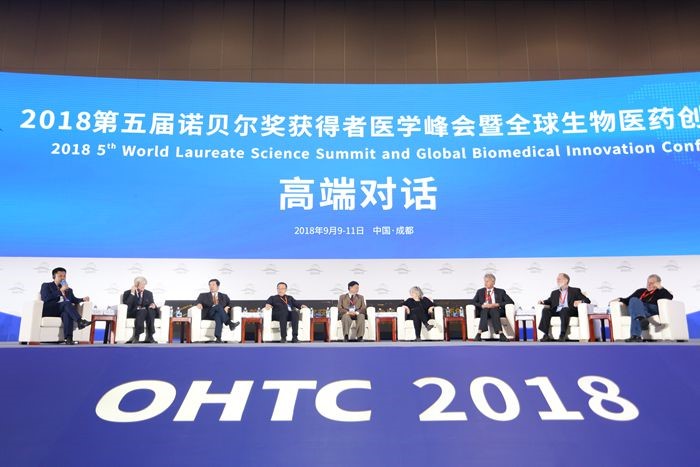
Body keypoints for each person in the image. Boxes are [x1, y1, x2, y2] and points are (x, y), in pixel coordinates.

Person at [612, 274, 673, 342]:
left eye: (652, 283)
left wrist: (660, 287)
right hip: (640, 310)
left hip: (651, 309)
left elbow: (670, 297)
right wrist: (619, 299)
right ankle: (641, 319)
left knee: (636, 311)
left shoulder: (660, 291)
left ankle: (635, 335)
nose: (649, 284)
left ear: (658, 283)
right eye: (648, 282)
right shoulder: (640, 291)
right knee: (633, 300)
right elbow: (627, 300)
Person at [39, 267, 91, 345]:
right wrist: (60, 291)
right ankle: (80, 321)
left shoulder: (69, 290)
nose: (63, 278)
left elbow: (73, 300)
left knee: (66, 313)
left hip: (61, 310)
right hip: (49, 309)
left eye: (64, 276)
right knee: (66, 303)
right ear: (53, 277)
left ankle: (68, 339)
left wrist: (82, 299)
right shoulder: (46, 285)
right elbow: (45, 298)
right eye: (60, 276)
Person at [538, 273, 590, 342]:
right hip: (557, 310)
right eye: (557, 279)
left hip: (569, 310)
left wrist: (580, 301)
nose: (557, 280)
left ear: (566, 280)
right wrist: (543, 302)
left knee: (564, 310)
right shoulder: (554, 293)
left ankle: (562, 335)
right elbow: (550, 301)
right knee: (545, 310)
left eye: (559, 279)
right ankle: (546, 335)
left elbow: (587, 300)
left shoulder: (575, 290)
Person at [194, 279, 239, 343]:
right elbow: (197, 302)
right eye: (210, 285)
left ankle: (218, 338)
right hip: (208, 314)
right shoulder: (203, 295)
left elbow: (231, 303)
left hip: (219, 314)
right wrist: (198, 304)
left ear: (218, 286)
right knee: (218, 306)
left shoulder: (224, 296)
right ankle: (229, 323)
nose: (211, 286)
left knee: (218, 315)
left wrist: (228, 307)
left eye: (213, 285)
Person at [472, 273, 513, 342]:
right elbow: (473, 302)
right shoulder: (480, 291)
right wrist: (482, 305)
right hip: (484, 310)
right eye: (485, 281)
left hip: (497, 310)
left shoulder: (501, 291)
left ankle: (479, 334)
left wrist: (497, 304)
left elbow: (510, 301)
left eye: (487, 281)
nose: (485, 283)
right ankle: (501, 334)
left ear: (493, 282)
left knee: (493, 309)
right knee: (485, 310)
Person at [122, 276, 158, 343]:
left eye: (144, 284)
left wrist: (153, 306)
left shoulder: (149, 293)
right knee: (142, 311)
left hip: (147, 312)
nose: (143, 286)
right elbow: (127, 306)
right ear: (136, 284)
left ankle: (150, 336)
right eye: (141, 284)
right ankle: (137, 336)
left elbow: (152, 303)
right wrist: (132, 293)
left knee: (151, 311)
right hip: (134, 312)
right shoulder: (127, 293)